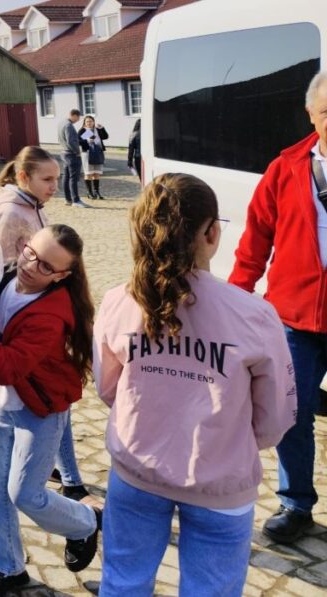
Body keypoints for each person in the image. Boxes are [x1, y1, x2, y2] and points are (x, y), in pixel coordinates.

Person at [95, 173, 296, 594]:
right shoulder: (254, 315)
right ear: (211, 232)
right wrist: (231, 441)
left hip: (136, 470)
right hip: (220, 481)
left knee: (123, 582)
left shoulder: (118, 301)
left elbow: (109, 389)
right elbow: (275, 417)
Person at [0, 225, 101, 596]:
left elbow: (7, 368)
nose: (31, 266)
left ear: (61, 276)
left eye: (46, 266)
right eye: (31, 253)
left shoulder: (50, 315)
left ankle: (86, 522)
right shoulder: (6, 278)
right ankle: (7, 567)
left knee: (25, 493)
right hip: (1, 402)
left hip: (40, 410)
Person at [229, 70, 327, 544]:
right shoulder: (285, 168)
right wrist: (233, 299)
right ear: (310, 114)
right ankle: (295, 503)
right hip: (294, 318)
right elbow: (255, 240)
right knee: (292, 413)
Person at [0, 146, 91, 501]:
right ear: (23, 177)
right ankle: (70, 481)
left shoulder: (32, 206)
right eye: (47, 179)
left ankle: (61, 472)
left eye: (57, 179)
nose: (54, 186)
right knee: (48, 401)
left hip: (38, 312)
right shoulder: (11, 213)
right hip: (23, 321)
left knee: (52, 401)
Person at [57, 109, 91, 208]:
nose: (78, 120)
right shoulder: (69, 125)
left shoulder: (61, 123)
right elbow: (71, 141)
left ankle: (68, 199)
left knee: (66, 176)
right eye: (78, 117)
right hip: (71, 154)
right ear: (74, 115)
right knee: (73, 178)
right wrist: (77, 152)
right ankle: (76, 200)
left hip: (64, 152)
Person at [78, 115, 109, 199]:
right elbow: (78, 141)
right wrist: (87, 140)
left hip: (98, 152)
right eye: (87, 121)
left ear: (93, 122)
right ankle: (89, 192)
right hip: (87, 153)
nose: (89, 123)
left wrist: (102, 128)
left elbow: (105, 137)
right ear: (84, 122)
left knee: (97, 173)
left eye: (90, 121)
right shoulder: (83, 130)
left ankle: (97, 192)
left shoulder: (96, 130)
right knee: (88, 173)